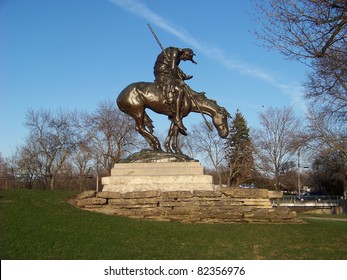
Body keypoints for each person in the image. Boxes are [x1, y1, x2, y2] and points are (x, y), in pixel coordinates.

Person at [153, 47, 197, 135]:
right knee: (180, 90)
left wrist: (183, 76)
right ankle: (177, 117)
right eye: (185, 58)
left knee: (181, 88)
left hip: (167, 72)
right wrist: (178, 79)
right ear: (184, 54)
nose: (184, 60)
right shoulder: (175, 52)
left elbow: (175, 68)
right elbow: (173, 68)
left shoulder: (177, 55)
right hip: (162, 73)